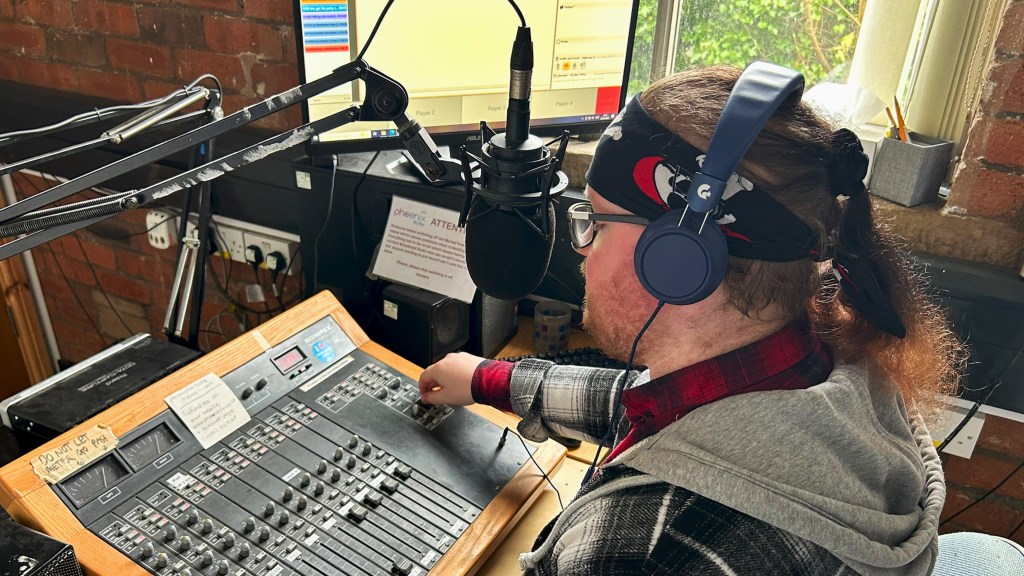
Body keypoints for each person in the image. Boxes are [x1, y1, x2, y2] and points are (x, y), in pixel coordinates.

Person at [418, 65, 964, 575]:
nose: (582, 246)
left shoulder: (639, 555)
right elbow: (656, 407)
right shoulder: (825, 366)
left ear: (678, 261)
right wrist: (491, 380)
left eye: (599, 223)